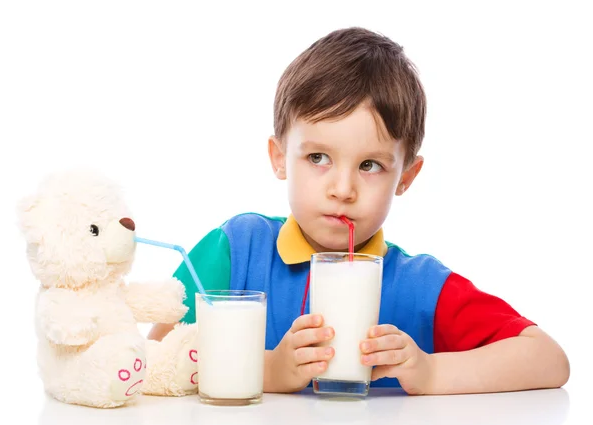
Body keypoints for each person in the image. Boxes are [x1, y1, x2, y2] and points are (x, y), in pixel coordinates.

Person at [149, 27, 570, 395]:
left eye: (370, 165)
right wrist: (268, 370)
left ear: (406, 176)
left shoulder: (421, 285)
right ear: (279, 157)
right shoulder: (235, 249)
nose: (343, 189)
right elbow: (156, 360)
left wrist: (430, 371)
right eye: (318, 157)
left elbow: (548, 359)